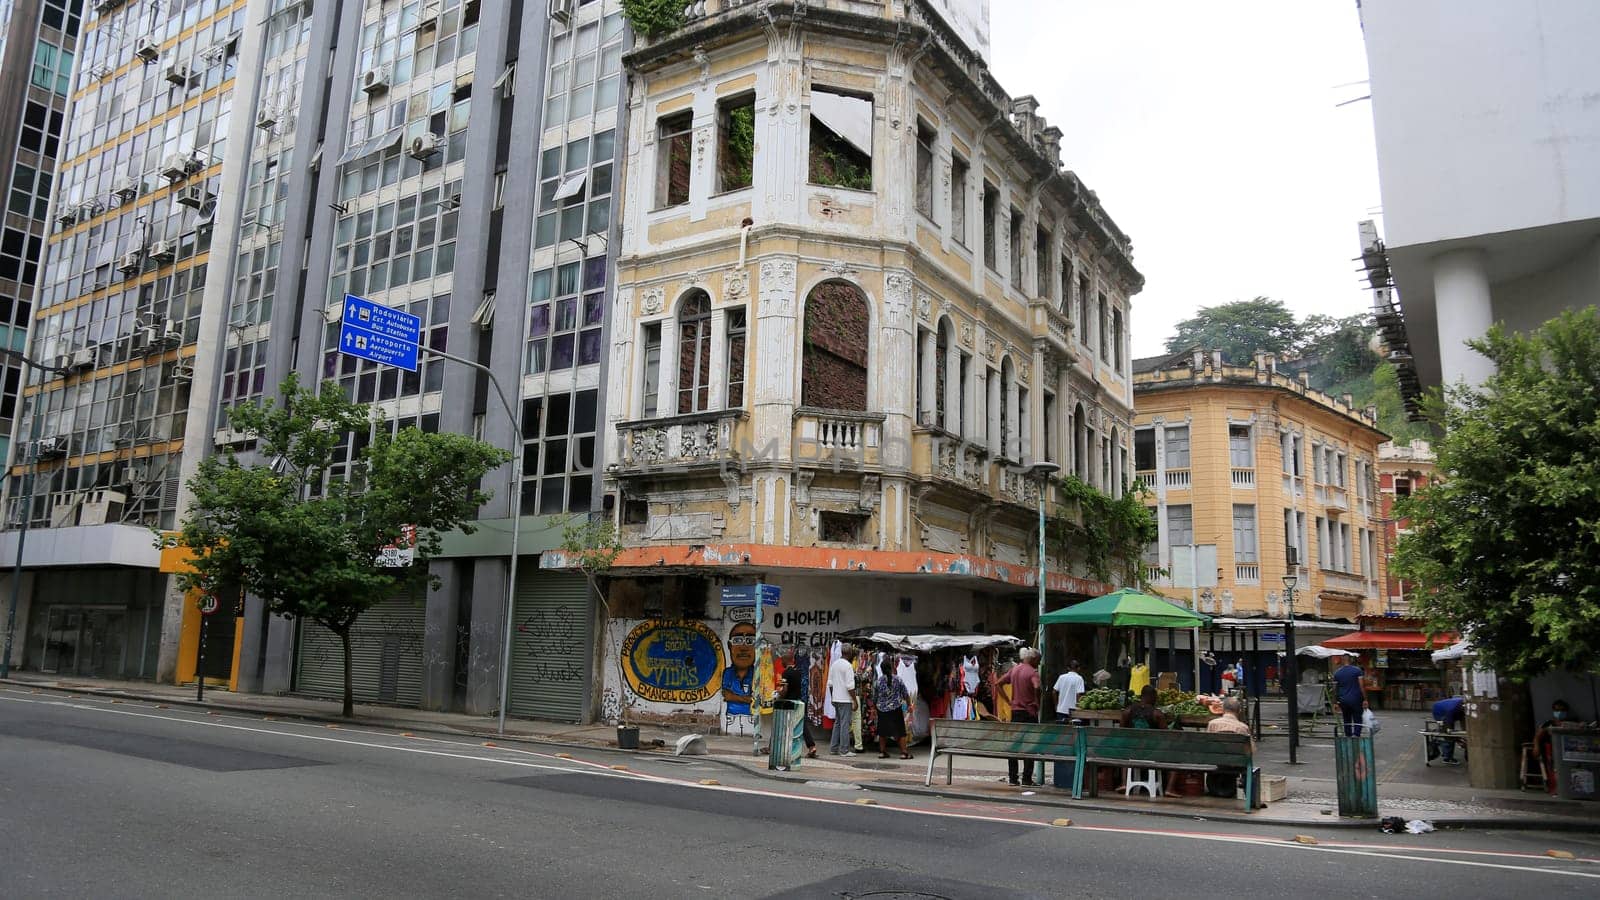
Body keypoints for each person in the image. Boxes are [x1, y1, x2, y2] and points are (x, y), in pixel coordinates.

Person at [1001, 648, 1042, 786]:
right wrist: (1037, 701)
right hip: (1029, 713)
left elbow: (998, 684)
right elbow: (1037, 687)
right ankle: (1026, 778)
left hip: (1015, 712)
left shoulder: (1015, 670)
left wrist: (1008, 701)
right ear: (1033, 659)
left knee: (1014, 745)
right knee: (1029, 746)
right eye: (1039, 660)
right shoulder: (1033, 672)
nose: (1039, 663)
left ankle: (1013, 778)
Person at [1204, 696, 1255, 798]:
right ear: (1239, 711)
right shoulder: (1243, 727)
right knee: (1248, 763)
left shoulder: (1212, 724)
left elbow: (1207, 745)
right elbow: (1251, 750)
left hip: (1216, 760)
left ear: (1223, 709)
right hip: (1236, 763)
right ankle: (1251, 799)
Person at [779, 652, 817, 759]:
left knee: (780, 723)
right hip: (798, 701)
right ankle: (811, 746)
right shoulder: (799, 672)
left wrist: (779, 696)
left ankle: (774, 746)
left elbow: (785, 689)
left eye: (782, 660)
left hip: (789, 702)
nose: (781, 662)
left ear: (786, 660)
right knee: (802, 724)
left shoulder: (786, 673)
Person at [873, 657, 911, 760]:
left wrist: (875, 708)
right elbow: (905, 694)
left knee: (882, 731)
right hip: (895, 709)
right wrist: (909, 705)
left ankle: (882, 752)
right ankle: (904, 752)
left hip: (882, 710)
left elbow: (875, 698)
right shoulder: (898, 679)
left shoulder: (878, 682)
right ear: (891, 668)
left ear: (881, 669)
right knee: (900, 731)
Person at [1534, 699, 1571, 794]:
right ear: (1553, 711)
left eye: (1562, 710)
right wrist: (1536, 747)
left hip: (1567, 751)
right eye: (1557, 710)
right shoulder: (1549, 723)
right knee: (1553, 770)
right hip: (1552, 751)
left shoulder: (1570, 723)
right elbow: (1538, 736)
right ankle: (1555, 789)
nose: (1560, 713)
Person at [827, 646, 859, 756]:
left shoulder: (834, 664)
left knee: (838, 723)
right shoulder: (848, 666)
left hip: (836, 698)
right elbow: (850, 686)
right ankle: (844, 750)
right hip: (845, 699)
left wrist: (832, 696)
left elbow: (830, 683)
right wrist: (854, 700)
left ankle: (833, 748)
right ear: (850, 653)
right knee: (845, 724)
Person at [1332, 656, 1368, 736]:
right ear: (1350, 660)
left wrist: (1335, 702)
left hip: (1343, 700)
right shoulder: (1357, 670)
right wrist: (1365, 699)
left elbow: (1334, 689)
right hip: (1356, 699)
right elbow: (1362, 686)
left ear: (1342, 660)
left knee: (1346, 719)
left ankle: (1348, 737)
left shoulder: (1337, 673)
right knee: (1357, 719)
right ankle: (1356, 736)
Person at [1430, 696, 1466, 765]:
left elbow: (1463, 720)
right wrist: (1457, 738)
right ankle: (1447, 758)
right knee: (1448, 736)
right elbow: (1449, 724)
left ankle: (1446, 749)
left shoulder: (1462, 705)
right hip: (1440, 712)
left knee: (1453, 734)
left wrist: (1465, 733)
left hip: (1447, 710)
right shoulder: (1453, 709)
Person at [1051, 659, 1086, 723]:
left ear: (1068, 668)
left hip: (1061, 710)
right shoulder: (1079, 678)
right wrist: (1080, 709)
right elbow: (1079, 695)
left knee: (1062, 731)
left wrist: (1056, 705)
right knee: (1073, 731)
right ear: (1078, 668)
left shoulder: (1061, 677)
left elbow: (1054, 692)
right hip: (1074, 711)